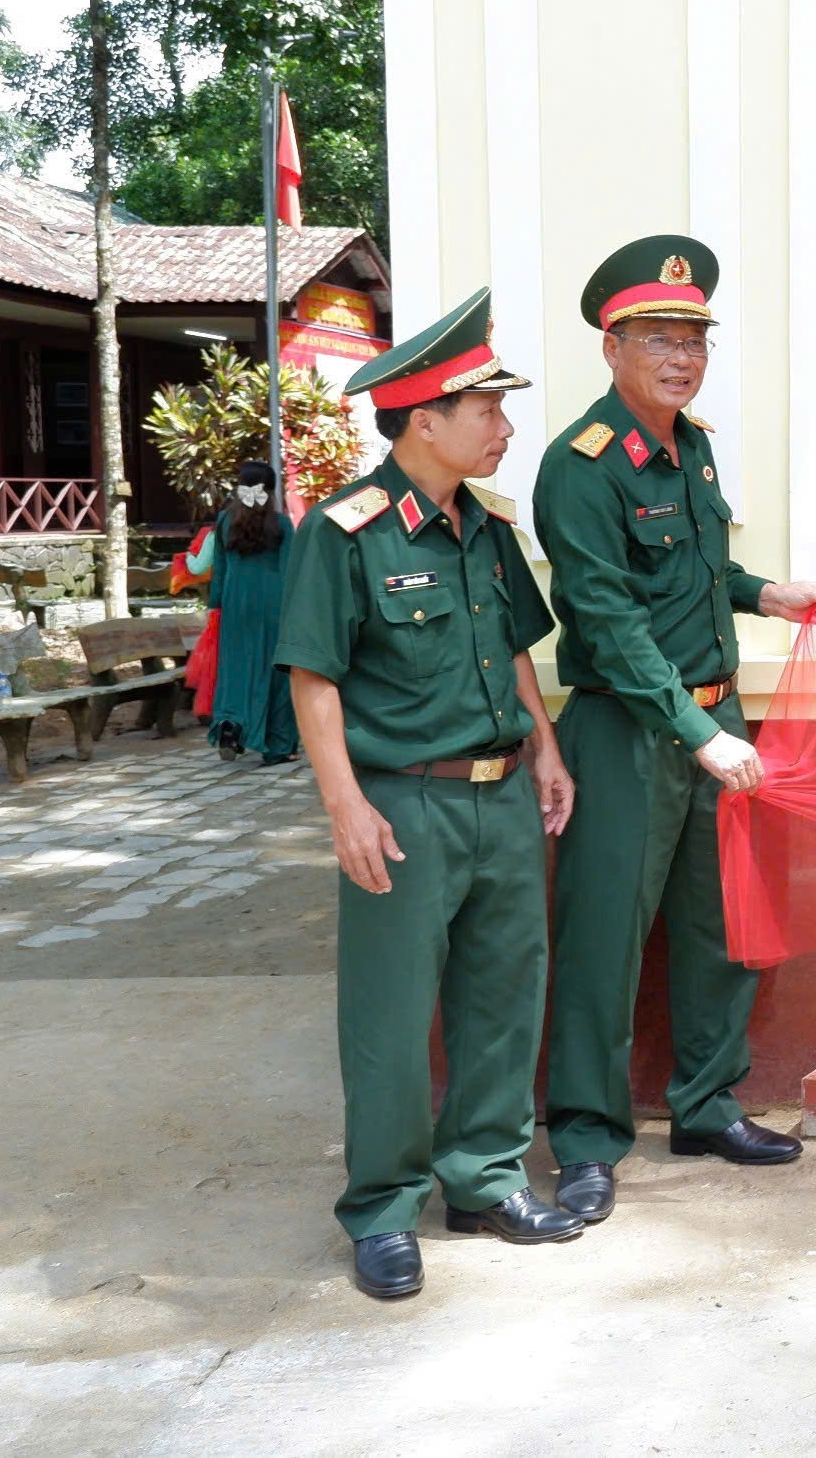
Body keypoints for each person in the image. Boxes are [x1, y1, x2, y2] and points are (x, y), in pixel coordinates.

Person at [275, 289, 584, 1301]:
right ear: (423, 419)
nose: (503, 429)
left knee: (502, 1001)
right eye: (486, 410)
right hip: (403, 803)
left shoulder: (488, 529)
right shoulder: (345, 532)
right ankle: (382, 1207)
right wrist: (342, 804)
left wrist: (545, 749)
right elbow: (312, 677)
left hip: (501, 799)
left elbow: (515, 650)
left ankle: (485, 1180)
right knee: (391, 1016)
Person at [534, 235, 816, 1225]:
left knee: (721, 931)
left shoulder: (692, 445)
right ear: (611, 346)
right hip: (631, 735)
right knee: (604, 945)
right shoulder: (580, 467)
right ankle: (584, 1139)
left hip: (715, 724)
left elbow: (699, 578)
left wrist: (770, 594)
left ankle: (707, 1104)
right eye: (659, 339)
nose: (681, 357)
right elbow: (610, 620)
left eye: (694, 340)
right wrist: (693, 730)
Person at [195, 460, 301, 766]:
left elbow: (220, 568)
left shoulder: (225, 520)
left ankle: (231, 725)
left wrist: (215, 606)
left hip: (235, 604)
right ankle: (278, 746)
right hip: (274, 604)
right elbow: (291, 569)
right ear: (272, 488)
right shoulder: (281, 524)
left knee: (236, 671)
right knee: (277, 673)